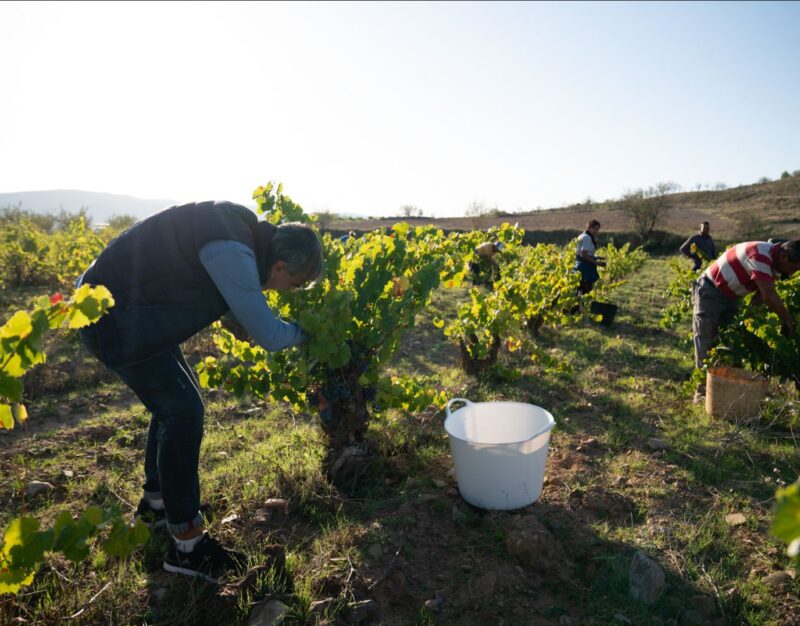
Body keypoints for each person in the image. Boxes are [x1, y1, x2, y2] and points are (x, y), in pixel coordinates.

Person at [76, 200, 324, 582]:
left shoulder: (239, 232)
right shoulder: (234, 250)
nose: (288, 291)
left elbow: (203, 279)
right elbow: (271, 336)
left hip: (133, 311)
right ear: (279, 267)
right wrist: (309, 333)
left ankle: (156, 507)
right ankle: (187, 546)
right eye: (292, 284)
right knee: (182, 412)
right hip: (112, 318)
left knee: (177, 404)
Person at [691, 239, 800, 402]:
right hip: (710, 291)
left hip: (730, 297)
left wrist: (749, 318)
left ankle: (723, 389)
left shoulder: (774, 263)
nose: (791, 274)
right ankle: (702, 392)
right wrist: (788, 319)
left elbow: (760, 296)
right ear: (784, 256)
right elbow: (768, 295)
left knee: (728, 343)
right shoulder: (760, 255)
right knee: (706, 338)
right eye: (792, 268)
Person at [574, 220, 605, 294]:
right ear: (589, 228)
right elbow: (583, 254)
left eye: (597, 229)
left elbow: (584, 253)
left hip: (579, 266)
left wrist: (598, 257)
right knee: (586, 290)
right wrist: (597, 263)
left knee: (579, 291)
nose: (596, 231)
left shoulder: (582, 235)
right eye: (594, 229)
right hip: (585, 268)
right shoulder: (587, 238)